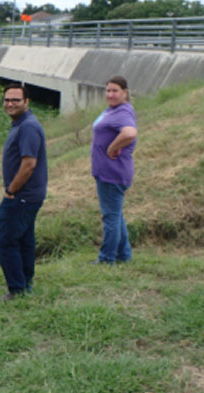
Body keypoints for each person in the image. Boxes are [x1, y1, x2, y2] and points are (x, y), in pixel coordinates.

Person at [0, 83, 48, 301]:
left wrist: (11, 190)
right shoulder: (21, 123)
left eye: (16, 100)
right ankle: (24, 284)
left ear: (26, 102)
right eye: (7, 100)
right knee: (24, 240)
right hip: (29, 195)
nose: (10, 104)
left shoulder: (28, 127)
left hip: (22, 196)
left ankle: (17, 289)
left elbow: (29, 164)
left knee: (6, 241)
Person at [90, 76, 138, 264]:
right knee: (116, 215)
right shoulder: (115, 110)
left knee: (110, 217)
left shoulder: (123, 112)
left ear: (125, 93)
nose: (110, 94)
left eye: (115, 91)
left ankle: (106, 258)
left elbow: (130, 133)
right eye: (108, 90)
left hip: (112, 173)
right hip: (107, 171)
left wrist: (111, 147)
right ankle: (123, 255)